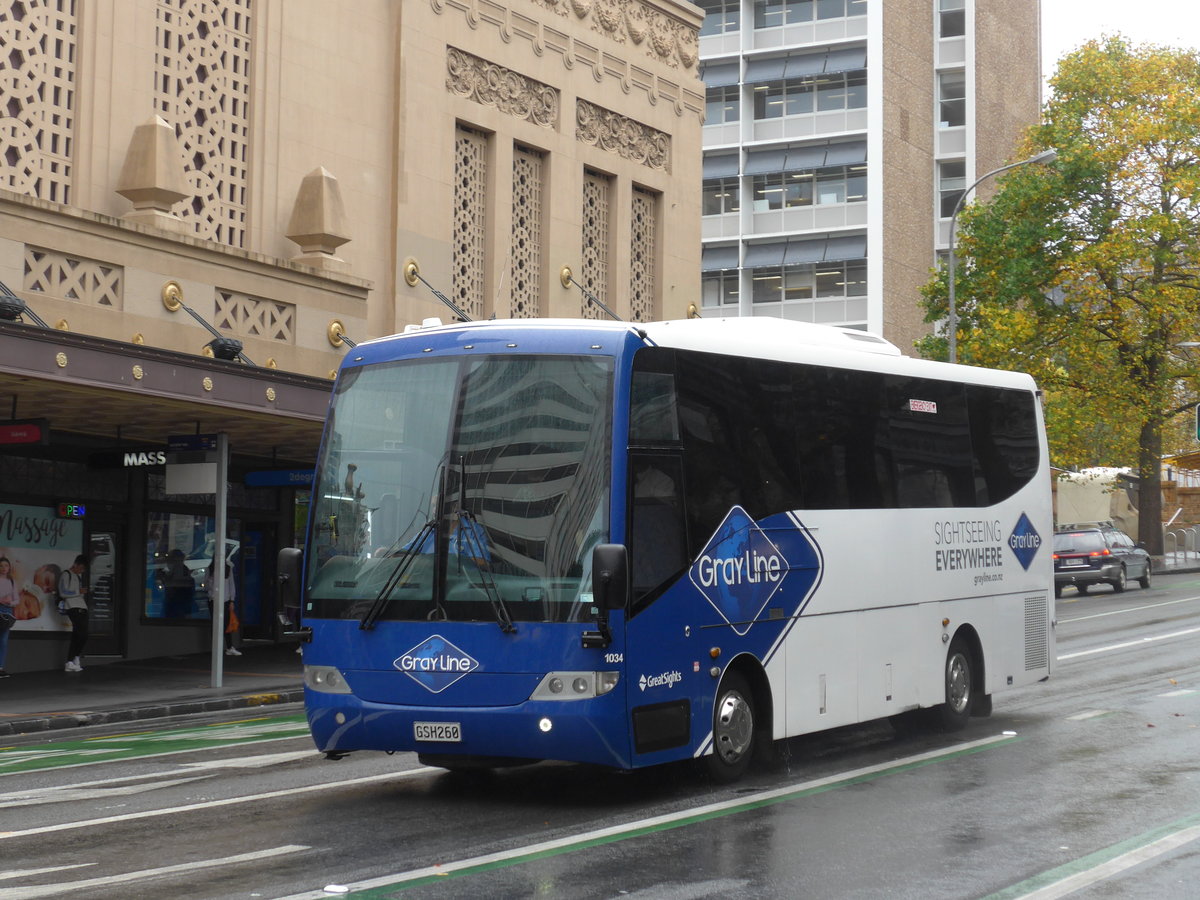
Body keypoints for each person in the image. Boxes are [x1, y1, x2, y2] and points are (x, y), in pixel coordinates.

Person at [59, 554, 88, 672]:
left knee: (82, 634)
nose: (81, 571)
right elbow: (63, 592)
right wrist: (78, 591)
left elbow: (79, 594)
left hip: (82, 606)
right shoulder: (66, 574)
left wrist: (81, 592)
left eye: (83, 569)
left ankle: (75, 657)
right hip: (72, 607)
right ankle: (70, 660)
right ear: (75, 564)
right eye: (80, 568)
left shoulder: (78, 577)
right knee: (80, 633)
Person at [209, 560, 241, 656]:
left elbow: (231, 584)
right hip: (214, 599)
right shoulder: (210, 569)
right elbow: (207, 586)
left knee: (226, 623)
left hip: (225, 600)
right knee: (216, 624)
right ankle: (217, 647)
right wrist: (211, 581)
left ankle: (229, 646)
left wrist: (232, 600)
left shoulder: (228, 569)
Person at [0, 556, 17, 678]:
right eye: (1, 566)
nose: (4, 568)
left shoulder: (11, 581)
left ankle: (1, 667)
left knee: (4, 641)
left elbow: (17, 599)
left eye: (6, 566)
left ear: (9, 567)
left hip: (7, 611)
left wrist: (10, 602)